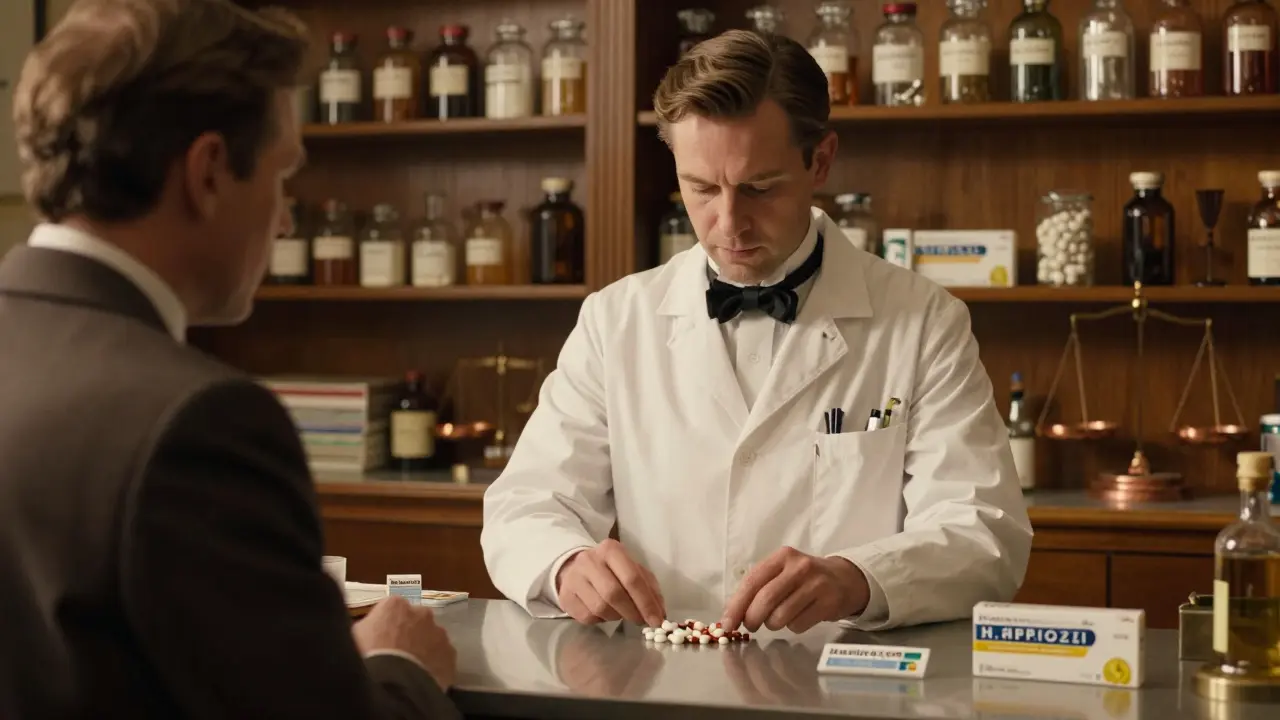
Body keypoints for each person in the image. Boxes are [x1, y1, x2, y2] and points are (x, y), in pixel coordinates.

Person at [481, 29, 1032, 634]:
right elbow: (525, 505)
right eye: (701, 188)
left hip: (845, 682)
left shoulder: (925, 323)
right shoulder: (616, 322)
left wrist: (858, 577)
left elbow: (983, 532)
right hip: (666, 683)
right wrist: (565, 564)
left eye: (758, 189)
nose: (728, 223)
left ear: (819, 160)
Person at [0, 1, 459, 717]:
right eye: (282, 176)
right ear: (209, 171)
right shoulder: (199, 421)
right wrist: (404, 668)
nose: (283, 218)